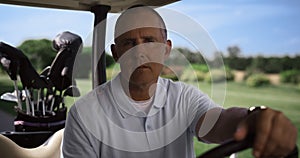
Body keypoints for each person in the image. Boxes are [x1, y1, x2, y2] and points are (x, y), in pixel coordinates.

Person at [62, 6, 297, 158]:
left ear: (166, 50)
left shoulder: (185, 97)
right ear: (116, 53)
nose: (140, 51)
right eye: (129, 43)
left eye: (150, 41)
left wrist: (251, 118)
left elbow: (219, 122)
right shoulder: (83, 114)